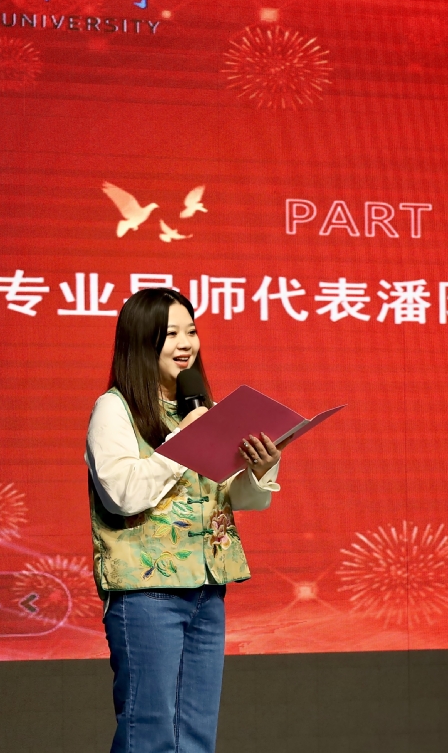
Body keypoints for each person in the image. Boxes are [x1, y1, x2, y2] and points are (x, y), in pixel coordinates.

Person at [86, 288, 281, 753]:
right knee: (149, 732)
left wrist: (259, 471)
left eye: (191, 331)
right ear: (141, 342)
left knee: (195, 736)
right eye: (170, 333)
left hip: (207, 591)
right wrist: (184, 443)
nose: (185, 343)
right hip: (147, 592)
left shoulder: (200, 410)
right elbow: (122, 495)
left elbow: (228, 498)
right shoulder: (115, 408)